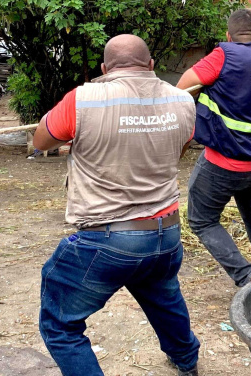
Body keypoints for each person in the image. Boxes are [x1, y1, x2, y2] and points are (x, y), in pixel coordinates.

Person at [33, 34, 200, 376]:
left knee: (60, 325)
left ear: (105, 68)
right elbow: (179, 150)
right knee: (163, 295)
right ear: (151, 65)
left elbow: (41, 141)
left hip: (107, 240)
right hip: (165, 234)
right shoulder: (183, 101)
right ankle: (187, 362)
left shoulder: (84, 98)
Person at [177, 9, 251, 287]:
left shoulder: (222, 55)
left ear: (228, 36)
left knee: (201, 220)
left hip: (224, 162)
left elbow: (182, 89)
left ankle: (246, 276)